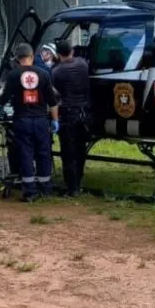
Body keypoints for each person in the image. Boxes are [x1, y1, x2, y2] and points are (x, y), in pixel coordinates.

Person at [0, 43, 59, 202]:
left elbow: (5, 97)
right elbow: (52, 101)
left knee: (25, 153)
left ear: (17, 59)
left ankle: (29, 192)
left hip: (22, 120)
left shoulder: (13, 75)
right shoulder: (44, 74)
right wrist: (55, 120)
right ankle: (46, 188)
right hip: (40, 120)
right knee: (44, 153)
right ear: (31, 56)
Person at [51, 39, 92, 197]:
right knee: (81, 150)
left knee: (68, 151)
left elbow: (54, 94)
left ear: (57, 54)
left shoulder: (56, 71)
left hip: (67, 113)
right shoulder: (83, 64)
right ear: (72, 51)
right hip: (84, 112)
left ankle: (72, 188)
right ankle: (79, 181)